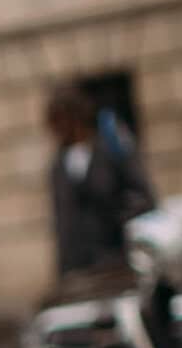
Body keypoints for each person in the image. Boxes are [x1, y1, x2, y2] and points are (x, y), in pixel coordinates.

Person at [46, 80, 157, 277]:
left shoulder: (111, 149)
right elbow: (62, 222)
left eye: (61, 121)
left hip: (118, 260)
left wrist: (117, 222)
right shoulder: (59, 166)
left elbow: (144, 197)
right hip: (80, 268)